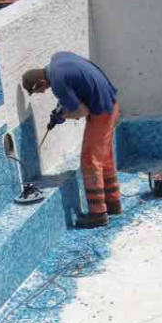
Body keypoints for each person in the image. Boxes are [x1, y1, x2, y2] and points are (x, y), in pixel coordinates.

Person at [22, 52, 121, 229]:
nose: (43, 92)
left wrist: (63, 115)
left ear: (42, 82)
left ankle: (98, 214)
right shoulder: (58, 59)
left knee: (90, 160)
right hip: (111, 103)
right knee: (104, 157)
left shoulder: (57, 84)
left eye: (40, 90)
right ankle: (113, 203)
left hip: (101, 112)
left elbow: (81, 112)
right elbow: (76, 85)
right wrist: (63, 107)